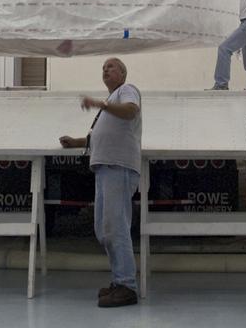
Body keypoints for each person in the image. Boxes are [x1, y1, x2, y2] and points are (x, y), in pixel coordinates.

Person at [59, 57, 142, 308]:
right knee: (104, 230)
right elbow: (97, 137)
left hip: (119, 167)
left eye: (111, 66)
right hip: (105, 169)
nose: (105, 70)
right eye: (103, 68)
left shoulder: (127, 92)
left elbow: (131, 111)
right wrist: (76, 142)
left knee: (116, 227)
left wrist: (100, 104)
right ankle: (119, 281)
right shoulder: (111, 103)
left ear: (123, 73)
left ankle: (127, 285)